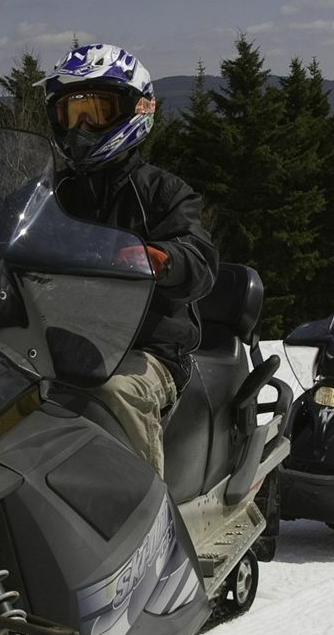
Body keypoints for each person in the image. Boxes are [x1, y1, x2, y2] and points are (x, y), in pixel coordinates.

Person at [41, 44, 217, 474]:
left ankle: (146, 525)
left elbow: (198, 255)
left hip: (144, 348)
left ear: (133, 110)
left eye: (96, 112)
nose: (82, 127)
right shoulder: (49, 194)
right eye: (71, 114)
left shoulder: (162, 192)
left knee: (117, 392)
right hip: (50, 344)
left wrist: (164, 258)